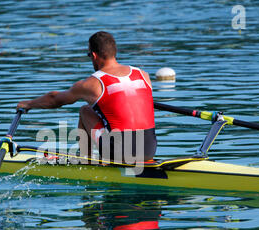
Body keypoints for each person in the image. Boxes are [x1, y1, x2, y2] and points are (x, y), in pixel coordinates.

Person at [17, 31, 156, 163]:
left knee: (85, 111)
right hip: (150, 148)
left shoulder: (92, 83)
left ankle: (86, 161)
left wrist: (28, 104)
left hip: (121, 152)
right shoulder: (143, 75)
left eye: (89, 55)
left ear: (94, 56)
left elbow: (54, 99)